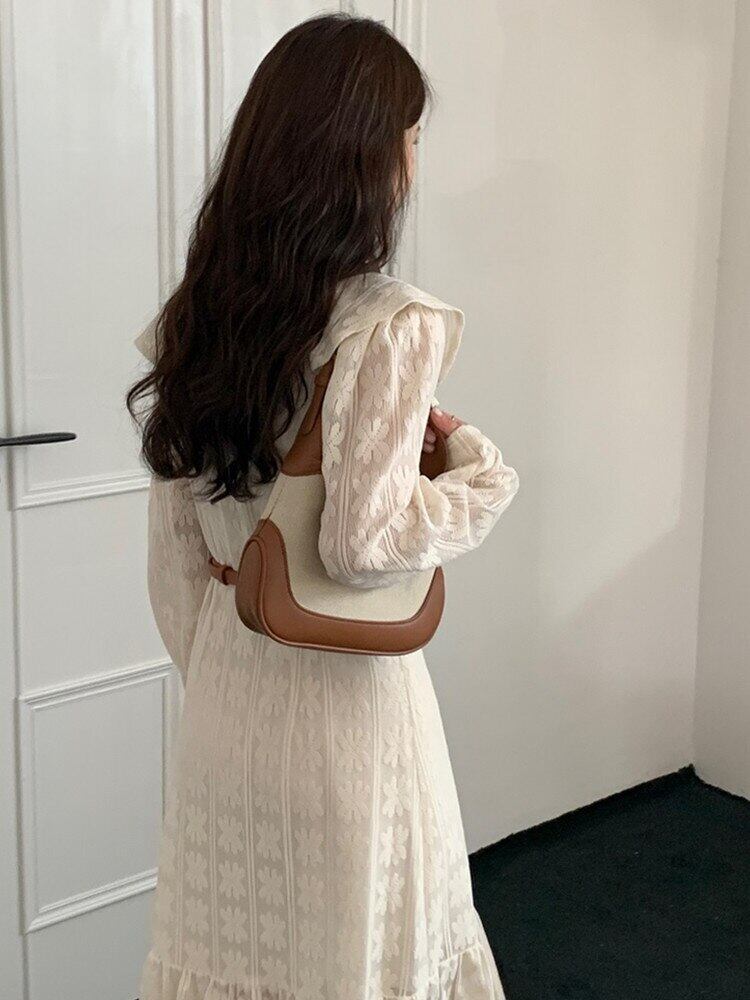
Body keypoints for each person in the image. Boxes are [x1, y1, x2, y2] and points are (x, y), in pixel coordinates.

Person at [126, 12, 520, 1000]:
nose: (416, 161)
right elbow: (363, 544)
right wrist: (478, 475)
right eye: (412, 137)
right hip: (351, 725)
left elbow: (173, 561)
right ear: (365, 157)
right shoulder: (389, 323)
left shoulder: (197, 318)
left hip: (227, 708)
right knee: (364, 963)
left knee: (234, 964)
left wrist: (227, 670)